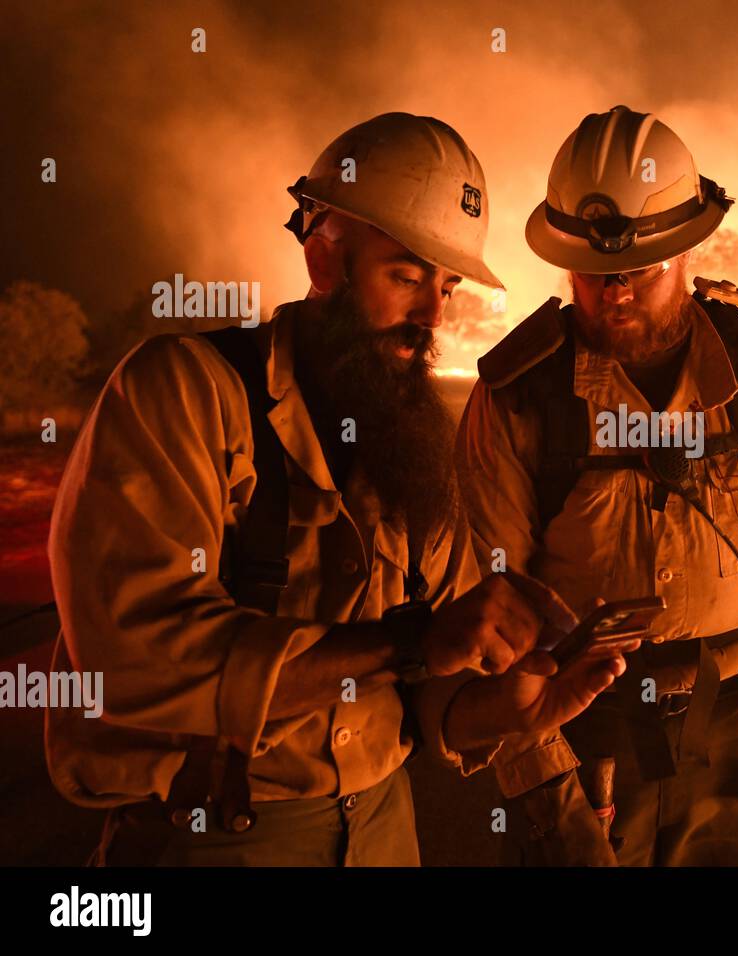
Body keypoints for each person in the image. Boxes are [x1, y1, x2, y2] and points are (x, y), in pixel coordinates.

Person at [44, 112, 628, 866]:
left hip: (385, 827)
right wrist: (408, 642)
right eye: (406, 275)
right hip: (214, 835)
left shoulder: (411, 437)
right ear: (325, 259)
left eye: (445, 286)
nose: (431, 317)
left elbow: (430, 686)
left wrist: (504, 706)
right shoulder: (185, 393)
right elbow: (135, 660)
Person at [456, 105, 738, 866]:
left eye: (637, 272)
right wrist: (547, 792)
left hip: (737, 735)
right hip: (579, 736)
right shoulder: (520, 395)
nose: (612, 293)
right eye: (592, 274)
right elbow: (495, 617)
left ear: (688, 250)